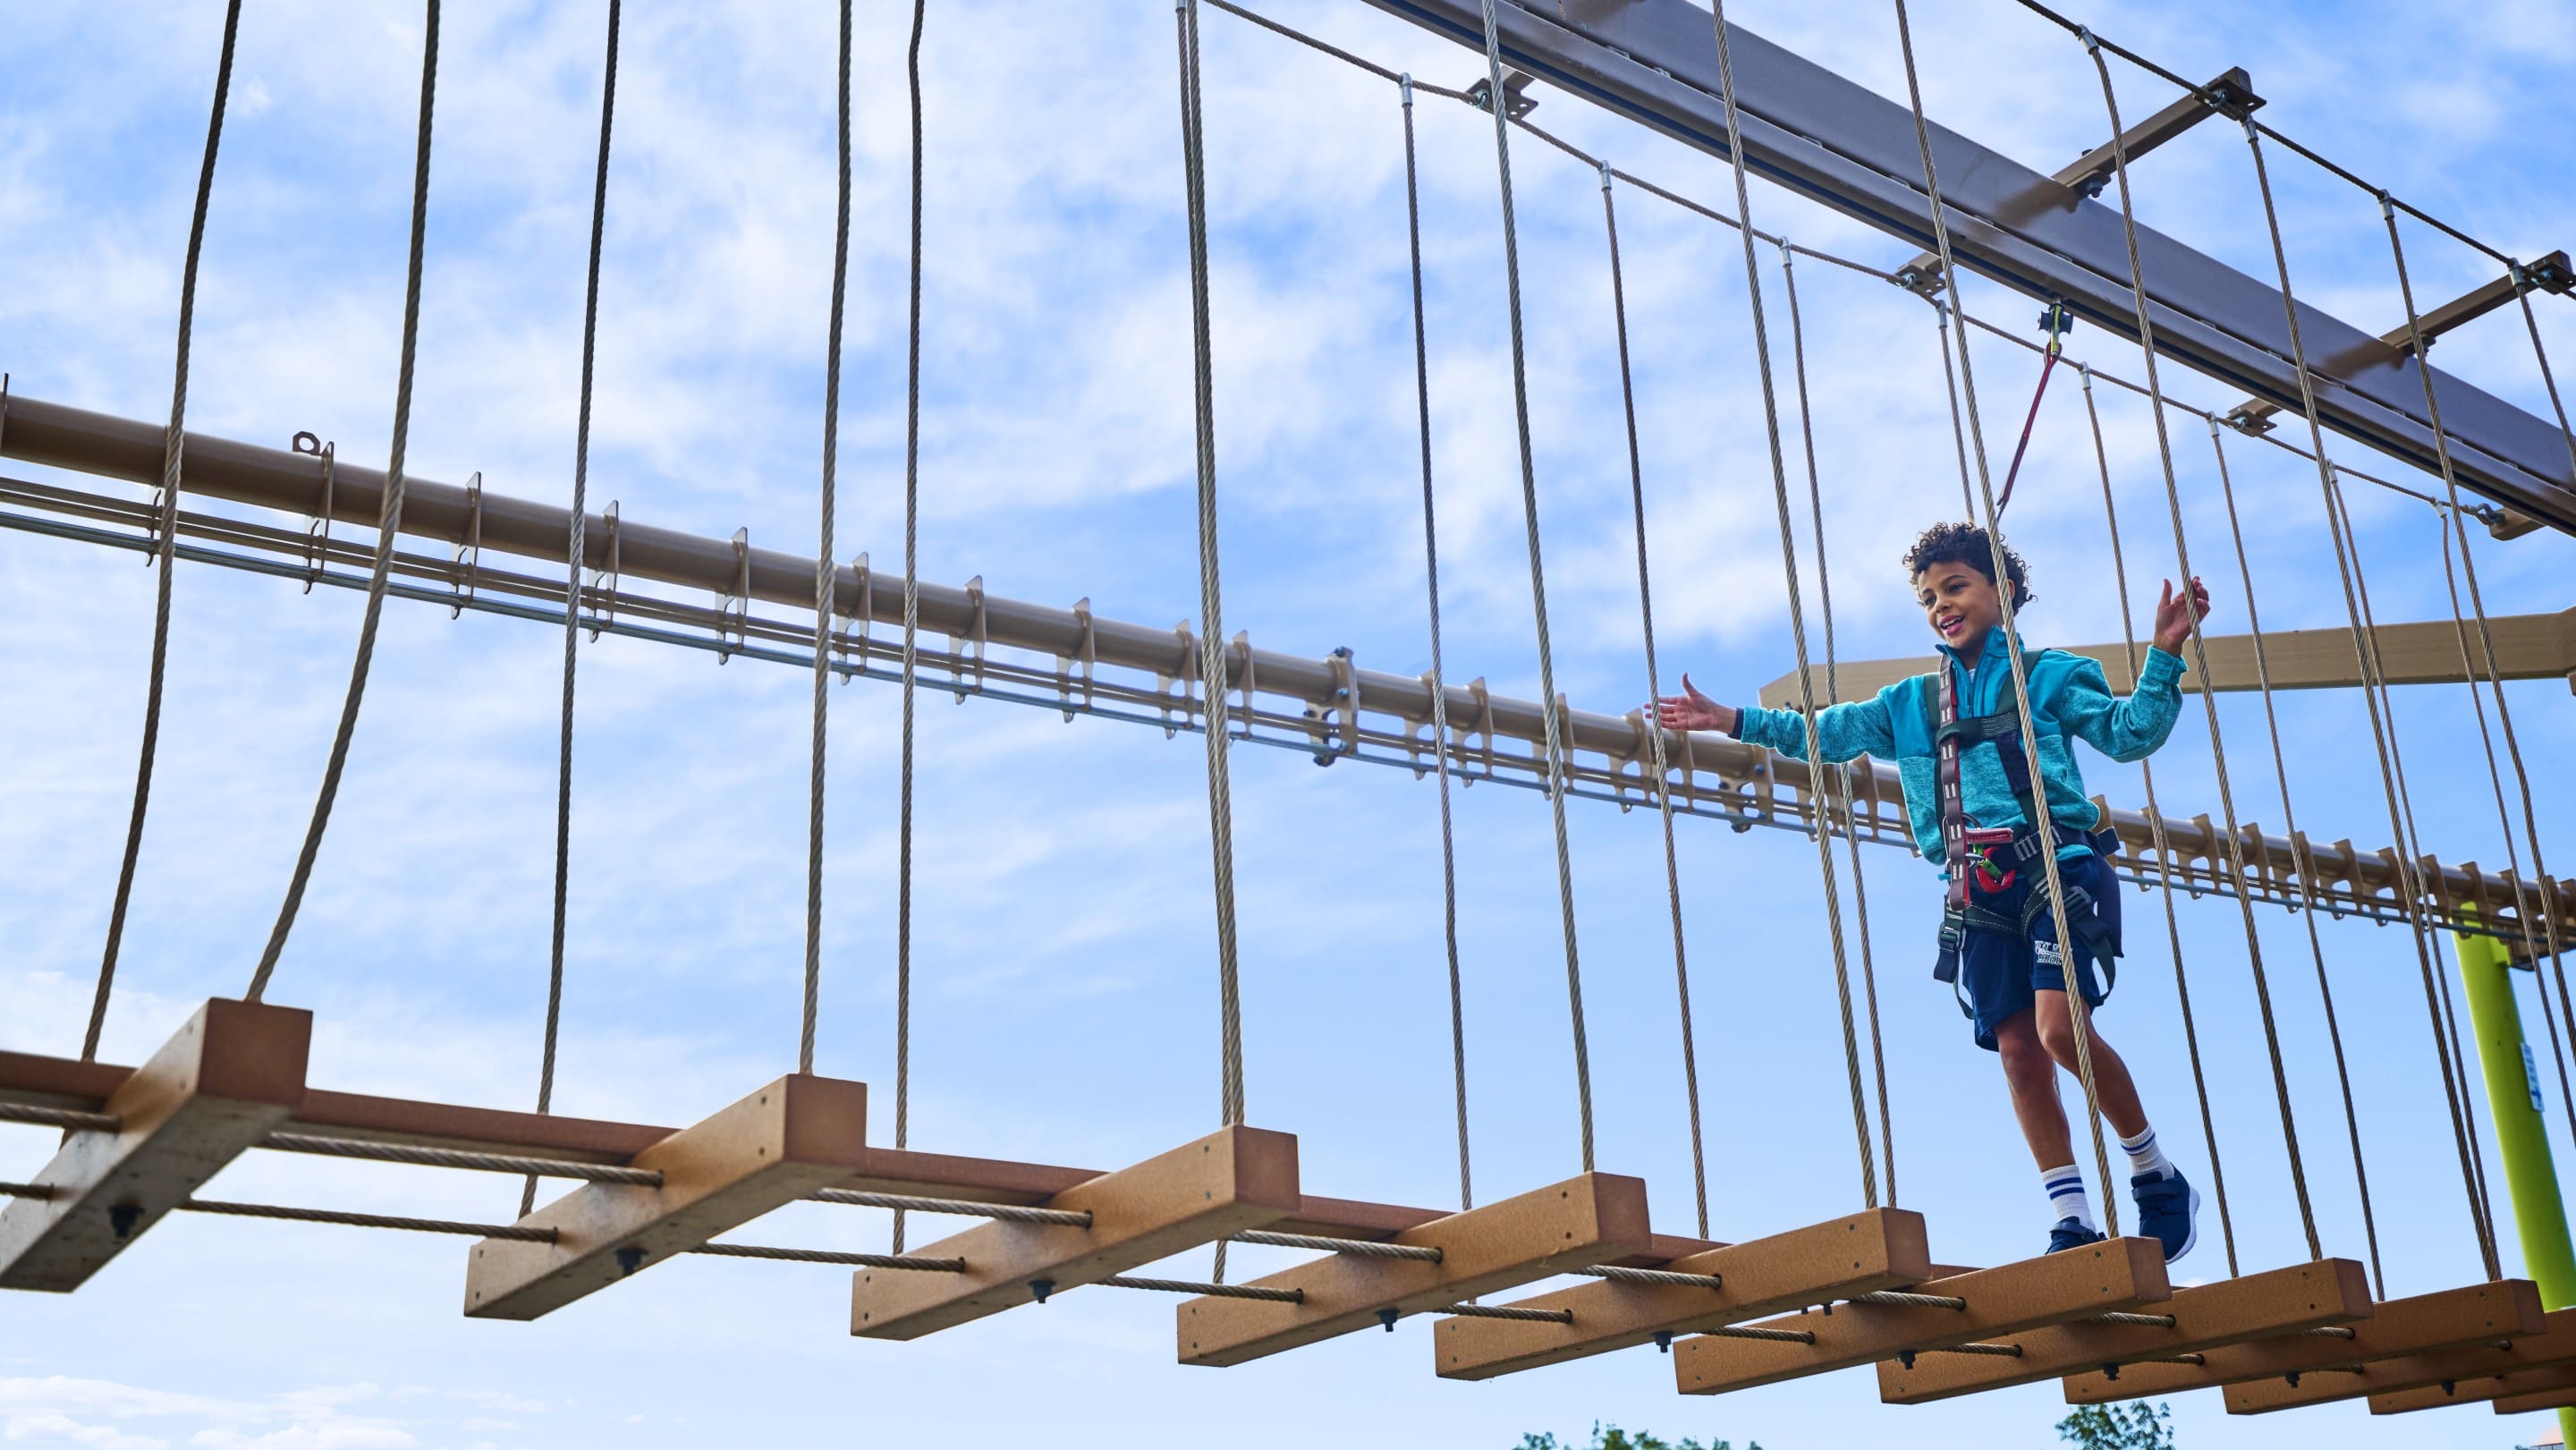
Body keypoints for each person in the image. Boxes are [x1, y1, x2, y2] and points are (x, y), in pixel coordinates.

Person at [1656, 521, 2210, 1262]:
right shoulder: (1909, 704)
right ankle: (2072, 1213)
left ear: (2003, 593)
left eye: (1955, 587)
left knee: (2056, 1029)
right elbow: (1826, 732)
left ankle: (2154, 1172)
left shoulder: (2052, 677)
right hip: (1977, 887)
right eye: (1928, 598)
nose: (1941, 606)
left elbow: (2130, 732)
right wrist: (1731, 721)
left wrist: (2164, 656)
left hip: (2056, 869)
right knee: (2018, 1050)